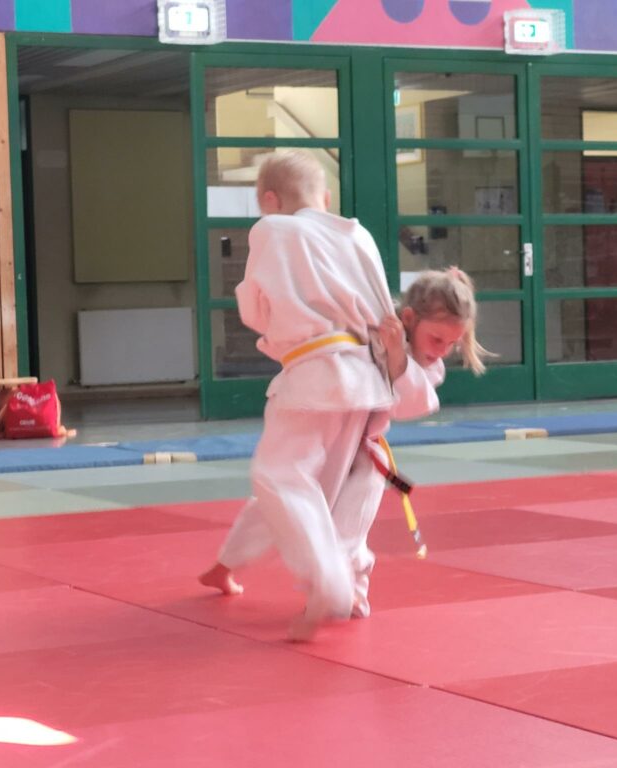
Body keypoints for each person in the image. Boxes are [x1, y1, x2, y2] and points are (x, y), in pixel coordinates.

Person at [198, 150, 396, 641]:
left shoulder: (273, 230)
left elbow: (254, 311)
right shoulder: (358, 235)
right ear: (325, 197)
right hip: (365, 378)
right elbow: (384, 313)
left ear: (269, 199)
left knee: (281, 478)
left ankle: (327, 582)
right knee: (315, 490)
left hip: (314, 374)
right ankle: (231, 566)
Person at [332, 267, 488, 620]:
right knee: (280, 503)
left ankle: (350, 591)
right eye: (437, 339)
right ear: (408, 319)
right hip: (328, 435)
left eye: (452, 344)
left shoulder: (429, 369)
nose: (442, 351)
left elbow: (410, 407)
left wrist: (398, 359)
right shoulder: (380, 329)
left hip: (365, 451)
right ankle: (226, 565)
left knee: (351, 523)